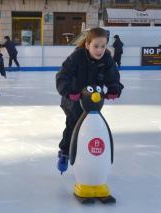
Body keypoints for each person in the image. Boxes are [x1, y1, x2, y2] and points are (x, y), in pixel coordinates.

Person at [55, 27, 124, 174]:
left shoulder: (106, 58)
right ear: (87, 45)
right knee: (73, 124)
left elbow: (113, 77)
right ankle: (65, 152)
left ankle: (88, 153)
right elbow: (63, 75)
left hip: (93, 101)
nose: (100, 50)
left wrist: (114, 89)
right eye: (96, 46)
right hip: (72, 99)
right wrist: (69, 91)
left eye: (103, 46)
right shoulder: (77, 57)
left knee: (93, 126)